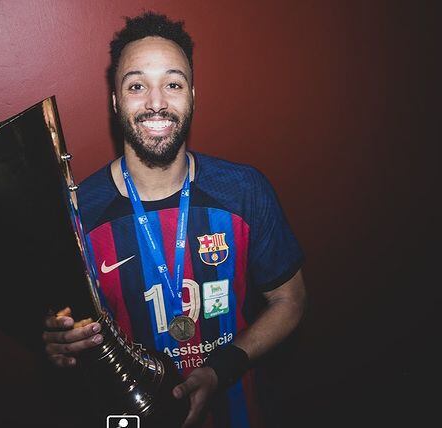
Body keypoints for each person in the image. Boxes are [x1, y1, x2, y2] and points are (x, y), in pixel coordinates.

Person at [42, 11, 306, 428]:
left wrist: (222, 370)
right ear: (115, 102)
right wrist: (62, 344)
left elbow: (289, 301)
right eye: (136, 85)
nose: (156, 102)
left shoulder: (244, 189)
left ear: (193, 95)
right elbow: (67, 334)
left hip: (238, 410)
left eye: (173, 83)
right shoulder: (78, 215)